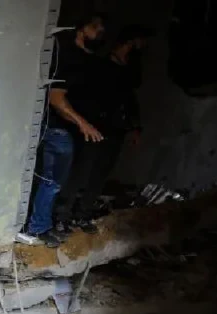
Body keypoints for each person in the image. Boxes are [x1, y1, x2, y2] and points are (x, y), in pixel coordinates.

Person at [22, 14, 106, 248]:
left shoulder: (87, 59)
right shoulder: (68, 56)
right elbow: (56, 98)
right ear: (80, 29)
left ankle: (41, 224)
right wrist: (82, 123)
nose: (100, 32)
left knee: (55, 181)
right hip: (59, 130)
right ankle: (37, 227)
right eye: (95, 26)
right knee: (50, 181)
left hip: (70, 132)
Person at [57, 24, 150, 233]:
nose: (142, 48)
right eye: (139, 43)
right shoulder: (100, 65)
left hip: (114, 128)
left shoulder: (128, 70)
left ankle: (82, 214)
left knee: (99, 173)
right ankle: (63, 216)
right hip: (94, 126)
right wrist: (85, 123)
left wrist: (134, 127)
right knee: (81, 172)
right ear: (129, 42)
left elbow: (129, 98)